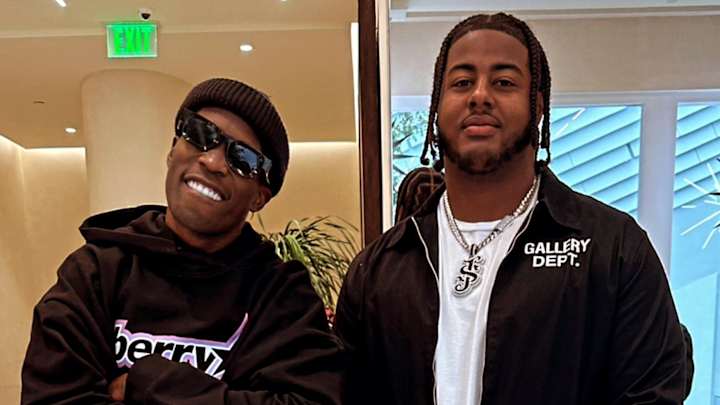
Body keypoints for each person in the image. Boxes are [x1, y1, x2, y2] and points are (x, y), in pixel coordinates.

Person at [335, 13, 688, 405]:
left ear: (538, 106)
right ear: (436, 107)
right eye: (462, 82)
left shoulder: (614, 249)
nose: (479, 96)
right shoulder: (378, 269)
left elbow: (652, 395)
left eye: (503, 82)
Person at [22, 78, 343, 404]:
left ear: (259, 197)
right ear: (173, 149)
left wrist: (148, 384)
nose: (213, 162)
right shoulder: (93, 273)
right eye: (200, 134)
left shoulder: (282, 296)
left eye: (243, 159)